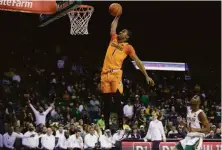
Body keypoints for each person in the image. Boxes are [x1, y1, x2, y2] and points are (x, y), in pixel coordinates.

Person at [101, 16, 155, 129]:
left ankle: (120, 127)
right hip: (105, 74)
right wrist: (117, 15)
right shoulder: (113, 38)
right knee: (106, 103)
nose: (121, 31)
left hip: (116, 74)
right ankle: (106, 128)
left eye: (123, 31)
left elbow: (138, 61)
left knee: (116, 101)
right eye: (121, 30)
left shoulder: (128, 47)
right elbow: (113, 27)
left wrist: (146, 75)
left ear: (127, 37)